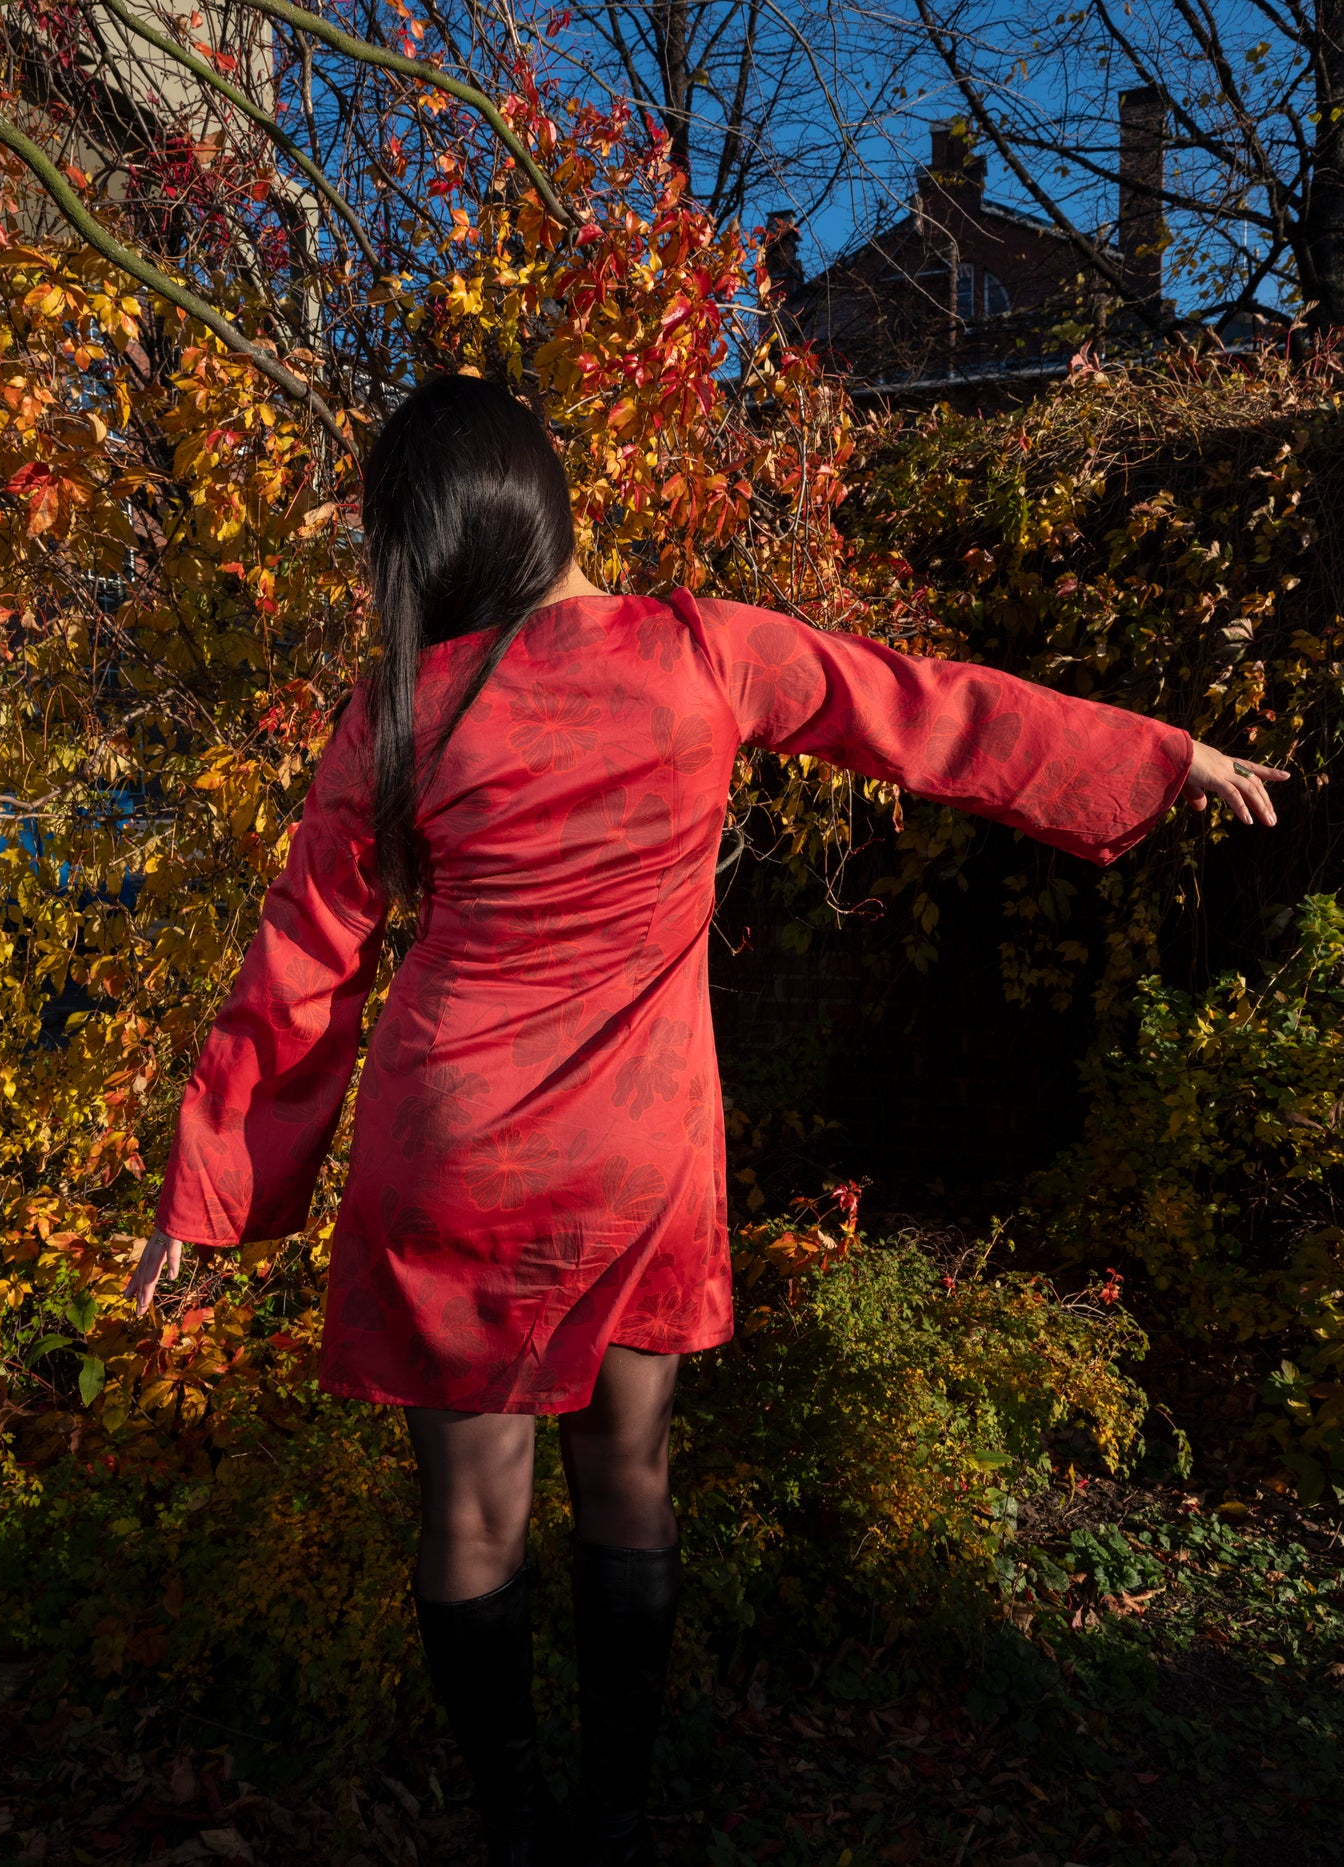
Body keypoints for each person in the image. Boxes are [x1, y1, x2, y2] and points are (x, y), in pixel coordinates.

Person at [125, 374, 1287, 1865]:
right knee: (633, 1481)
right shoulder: (701, 652)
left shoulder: (397, 708)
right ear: (550, 496)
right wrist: (1155, 754)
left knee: (472, 1523)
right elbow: (928, 711)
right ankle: (616, 1816)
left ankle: (517, 1824)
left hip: (452, 1155)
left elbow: (304, 957)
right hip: (635, 1150)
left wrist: (206, 1181)